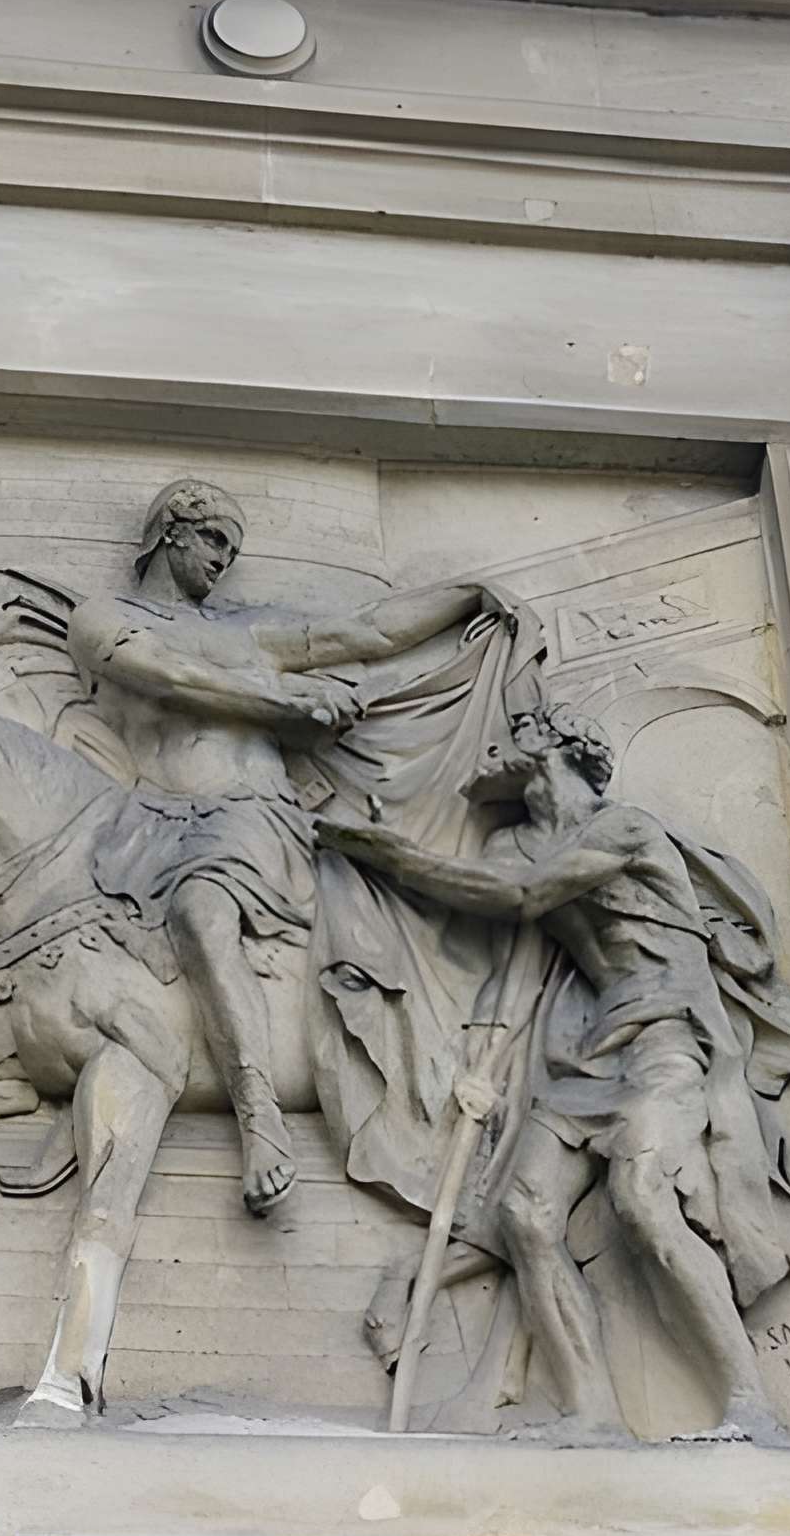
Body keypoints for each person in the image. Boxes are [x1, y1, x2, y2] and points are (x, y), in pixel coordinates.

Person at [316, 698, 790, 1435]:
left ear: (549, 746)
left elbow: (524, 900)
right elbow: (517, 960)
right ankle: (590, 1409)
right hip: (583, 1060)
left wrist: (388, 855)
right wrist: (482, 1063)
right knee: (524, 1214)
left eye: (509, 736)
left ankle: (752, 1405)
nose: (490, 748)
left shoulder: (623, 828)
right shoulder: (516, 845)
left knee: (644, 1201)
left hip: (666, 1044)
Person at [70, 477, 508, 1215]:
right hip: (153, 821)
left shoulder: (247, 631)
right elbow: (170, 679)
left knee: (202, 910)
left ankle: (260, 1116)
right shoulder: (104, 616)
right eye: (213, 540)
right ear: (170, 530)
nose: (223, 562)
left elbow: (363, 634)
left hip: (255, 817)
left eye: (233, 551)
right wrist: (284, 701)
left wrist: (467, 594)